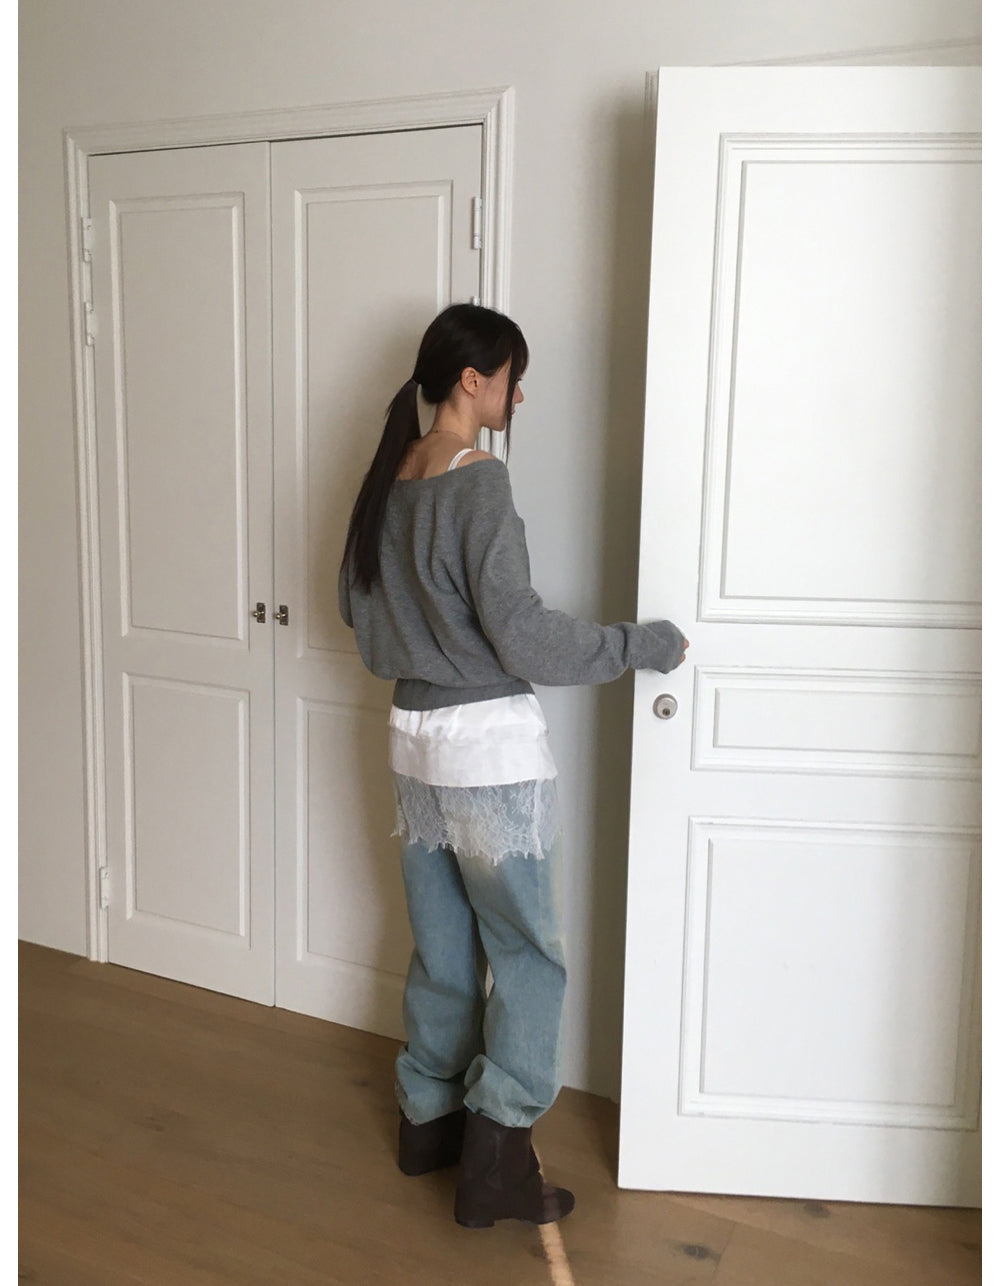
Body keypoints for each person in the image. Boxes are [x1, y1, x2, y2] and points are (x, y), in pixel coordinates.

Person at [338, 302, 688, 1230]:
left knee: (443, 942)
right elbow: (524, 635)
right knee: (529, 953)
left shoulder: (389, 475)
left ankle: (427, 1122)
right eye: (511, 379)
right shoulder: (477, 479)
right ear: (472, 379)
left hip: (413, 742)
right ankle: (496, 1158)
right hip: (488, 750)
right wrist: (641, 644)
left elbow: (357, 611)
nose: (517, 396)